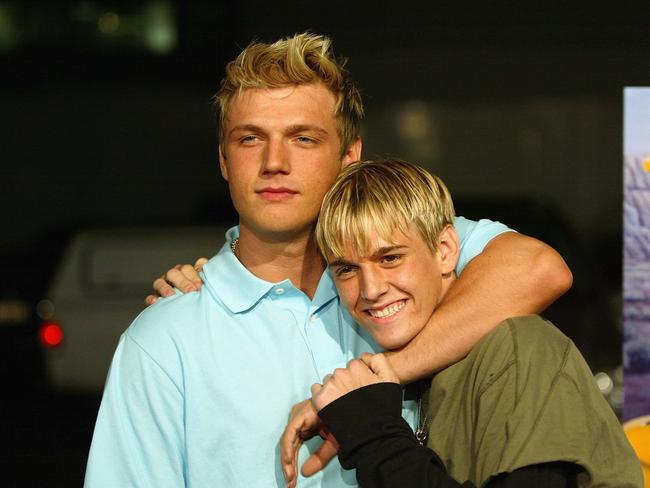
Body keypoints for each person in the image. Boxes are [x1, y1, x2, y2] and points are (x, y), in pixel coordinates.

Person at [84, 33, 572, 487]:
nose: (275, 161)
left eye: (303, 138)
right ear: (223, 160)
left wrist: (381, 377)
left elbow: (539, 269)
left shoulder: (403, 261)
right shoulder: (164, 340)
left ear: (349, 156)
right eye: (250, 138)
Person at [280, 159, 642, 487]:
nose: (371, 290)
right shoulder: (428, 373)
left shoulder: (517, 348)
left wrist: (372, 432)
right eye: (347, 270)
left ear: (445, 250)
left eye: (390, 258)